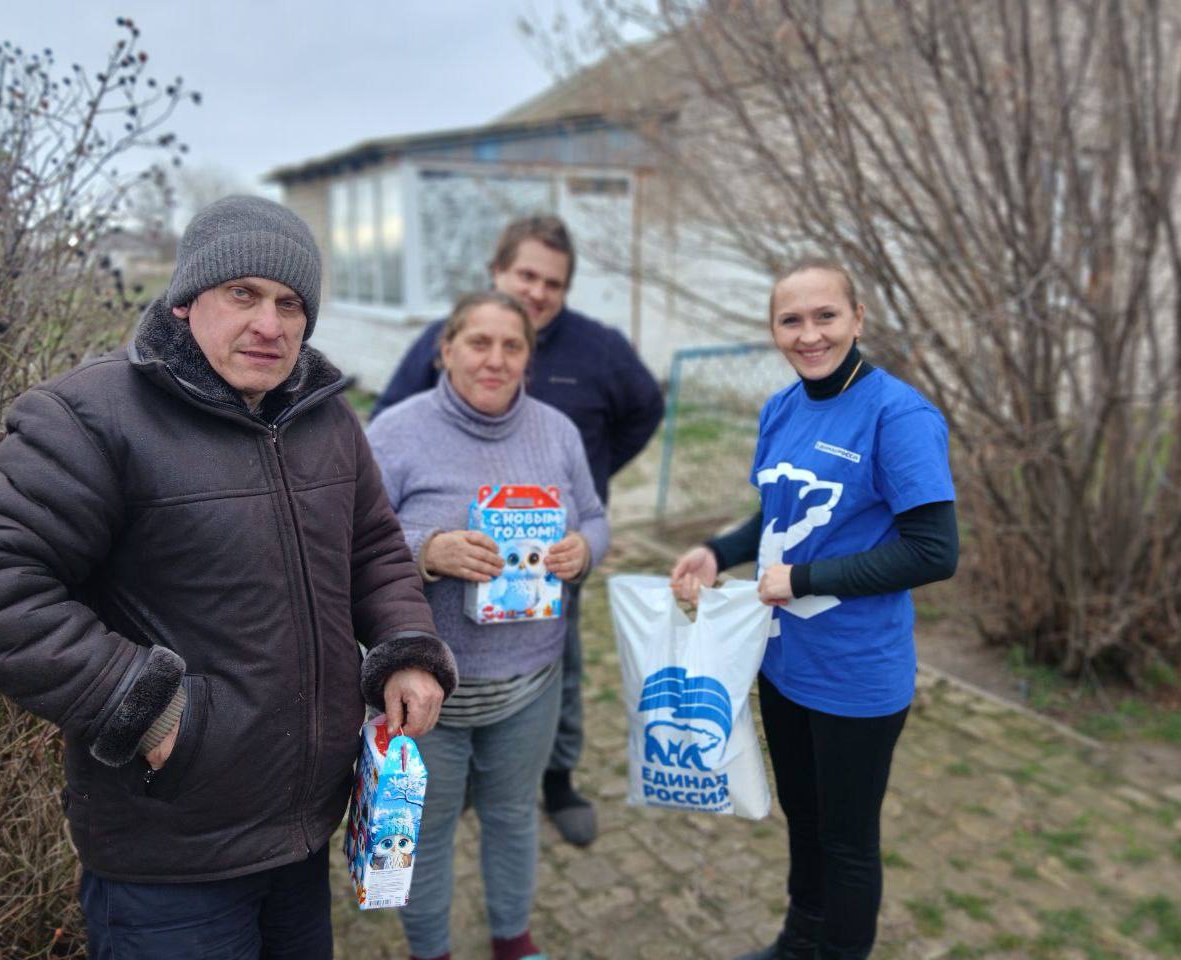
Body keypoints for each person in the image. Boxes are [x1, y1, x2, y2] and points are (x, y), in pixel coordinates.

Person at [0, 196, 458, 960]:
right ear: (187, 299)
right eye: (243, 294)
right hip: (171, 854)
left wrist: (407, 646)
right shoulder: (91, 417)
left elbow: (373, 547)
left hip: (302, 832)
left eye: (289, 303)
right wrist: (147, 709)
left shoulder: (325, 417)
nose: (269, 324)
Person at [670, 258, 959, 960]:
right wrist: (716, 551)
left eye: (825, 316)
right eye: (790, 320)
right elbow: (776, 513)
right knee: (803, 818)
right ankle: (800, 941)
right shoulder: (782, 408)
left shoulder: (898, 415)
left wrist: (802, 580)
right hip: (782, 662)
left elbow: (933, 551)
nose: (809, 335)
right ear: (773, 330)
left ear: (858, 317)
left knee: (847, 841)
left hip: (857, 673)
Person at [370, 214, 662, 847]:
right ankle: (463, 785)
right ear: (497, 272)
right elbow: (377, 482)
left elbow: (646, 409)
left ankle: (556, 779)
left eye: (552, 283)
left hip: (546, 566)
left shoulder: (597, 350)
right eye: (526, 275)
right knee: (437, 810)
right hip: (445, 623)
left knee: (562, 674)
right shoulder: (430, 369)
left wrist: (595, 480)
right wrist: (429, 544)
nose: (537, 291)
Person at [366, 291, 609, 960]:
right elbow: (353, 541)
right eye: (479, 342)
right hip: (426, 694)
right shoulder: (395, 432)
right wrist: (428, 550)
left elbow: (594, 518)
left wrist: (584, 550)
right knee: (425, 833)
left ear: (529, 358)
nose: (495, 360)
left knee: (512, 816)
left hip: (529, 687)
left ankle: (513, 940)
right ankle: (431, 950)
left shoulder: (557, 431)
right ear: (446, 350)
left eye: (512, 346)